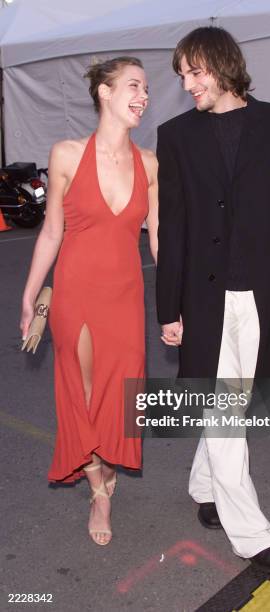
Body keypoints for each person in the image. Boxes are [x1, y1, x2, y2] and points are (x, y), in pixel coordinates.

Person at [156, 27, 270, 573]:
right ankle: (254, 536)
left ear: (224, 67)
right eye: (182, 75)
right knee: (227, 411)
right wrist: (168, 309)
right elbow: (172, 227)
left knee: (234, 403)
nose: (187, 84)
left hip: (261, 295)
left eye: (195, 72)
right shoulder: (175, 135)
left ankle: (204, 484)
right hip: (204, 299)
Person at [20, 56, 158, 546]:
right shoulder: (66, 154)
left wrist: (181, 306)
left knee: (119, 394)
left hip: (126, 297)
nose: (144, 96)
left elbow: (159, 242)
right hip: (75, 293)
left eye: (146, 89)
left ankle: (102, 467)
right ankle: (98, 488)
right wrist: (30, 293)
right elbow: (51, 231)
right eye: (134, 86)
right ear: (105, 91)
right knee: (82, 391)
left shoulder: (149, 163)